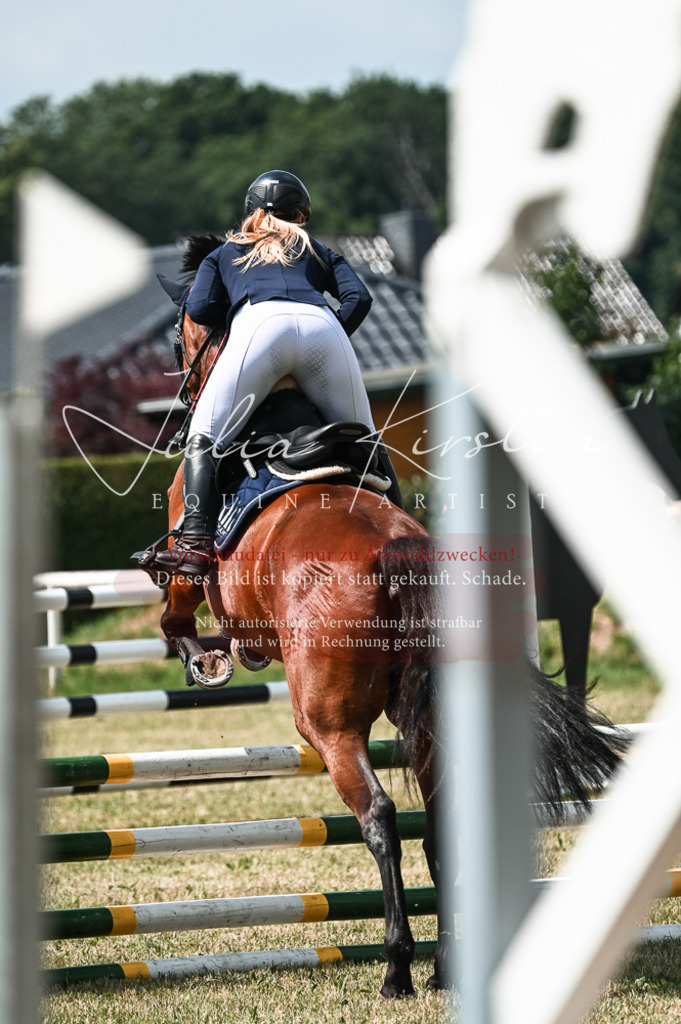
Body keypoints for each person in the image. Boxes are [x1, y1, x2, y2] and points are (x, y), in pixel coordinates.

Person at [154, 169, 400, 580]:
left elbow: (198, 309)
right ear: (300, 216)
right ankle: (403, 531)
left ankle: (194, 544)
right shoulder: (316, 248)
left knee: (203, 435)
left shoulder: (225, 252)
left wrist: (237, 317)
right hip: (324, 329)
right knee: (368, 440)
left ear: (250, 212)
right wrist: (329, 336)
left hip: (259, 327)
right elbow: (359, 297)